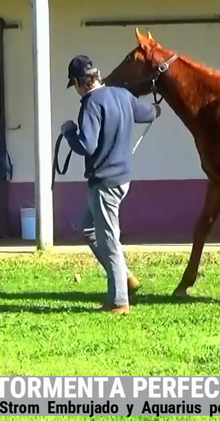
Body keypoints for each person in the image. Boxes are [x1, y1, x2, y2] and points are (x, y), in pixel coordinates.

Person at [61, 54, 161, 315]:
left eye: (73, 85)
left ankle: (119, 302)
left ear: (77, 82)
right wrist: (157, 108)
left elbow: (86, 145)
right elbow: (149, 113)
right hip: (122, 179)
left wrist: (69, 131)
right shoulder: (121, 95)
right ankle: (124, 277)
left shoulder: (90, 104)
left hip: (104, 182)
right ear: (97, 73)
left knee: (109, 241)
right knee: (89, 229)